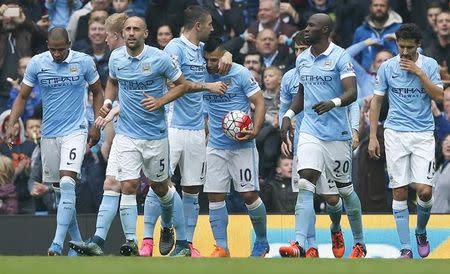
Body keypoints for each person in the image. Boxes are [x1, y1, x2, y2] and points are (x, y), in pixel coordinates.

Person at [93, 16, 226, 257]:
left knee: (162, 187)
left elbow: (181, 84)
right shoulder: (116, 58)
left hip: (156, 135)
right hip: (127, 134)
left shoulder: (160, 58)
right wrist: (109, 102)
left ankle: (176, 235)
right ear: (123, 33)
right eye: (128, 29)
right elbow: (112, 82)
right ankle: (134, 241)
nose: (131, 33)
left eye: (136, 29)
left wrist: (160, 101)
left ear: (146, 33)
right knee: (128, 185)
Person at [139, 5, 231, 257]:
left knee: (192, 189)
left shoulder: (202, 50)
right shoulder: (174, 49)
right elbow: (173, 84)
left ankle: (186, 244)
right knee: (160, 184)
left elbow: (221, 53)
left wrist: (228, 55)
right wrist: (208, 86)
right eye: (210, 24)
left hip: (196, 130)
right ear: (198, 25)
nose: (213, 28)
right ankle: (148, 237)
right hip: (172, 126)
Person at [5, 27, 104, 255]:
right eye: (53, 50)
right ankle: (78, 244)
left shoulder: (84, 62)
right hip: (49, 134)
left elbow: (97, 92)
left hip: (76, 130)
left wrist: (96, 125)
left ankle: (57, 244)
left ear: (69, 44)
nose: (57, 54)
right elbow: (22, 96)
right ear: (47, 46)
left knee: (68, 182)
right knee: (60, 191)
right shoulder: (38, 63)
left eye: (61, 50)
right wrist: (11, 124)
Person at [280, 13, 366, 258]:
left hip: (337, 134)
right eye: (306, 25)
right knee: (306, 180)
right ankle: (299, 243)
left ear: (325, 30)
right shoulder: (303, 59)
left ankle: (358, 241)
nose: (306, 29)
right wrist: (288, 115)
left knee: (345, 190)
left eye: (311, 26)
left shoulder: (340, 56)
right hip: (310, 131)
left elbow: (352, 92)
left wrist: (334, 102)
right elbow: (301, 93)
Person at [368, 23, 444, 259]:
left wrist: (419, 73)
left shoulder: (429, 65)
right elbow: (377, 102)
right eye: (401, 47)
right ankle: (405, 248)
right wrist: (372, 136)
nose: (404, 52)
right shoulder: (388, 67)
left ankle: (420, 231)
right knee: (399, 191)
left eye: (409, 48)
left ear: (417, 46)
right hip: (395, 133)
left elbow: (440, 96)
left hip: (422, 134)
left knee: (424, 191)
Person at [202, 36, 268, 257]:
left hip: (242, 145)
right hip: (216, 145)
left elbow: (259, 102)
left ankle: (261, 240)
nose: (210, 64)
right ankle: (222, 247)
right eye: (207, 60)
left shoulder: (239, 73)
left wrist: (256, 130)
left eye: (214, 60)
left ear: (223, 57)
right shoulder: (202, 75)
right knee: (215, 195)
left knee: (249, 195)